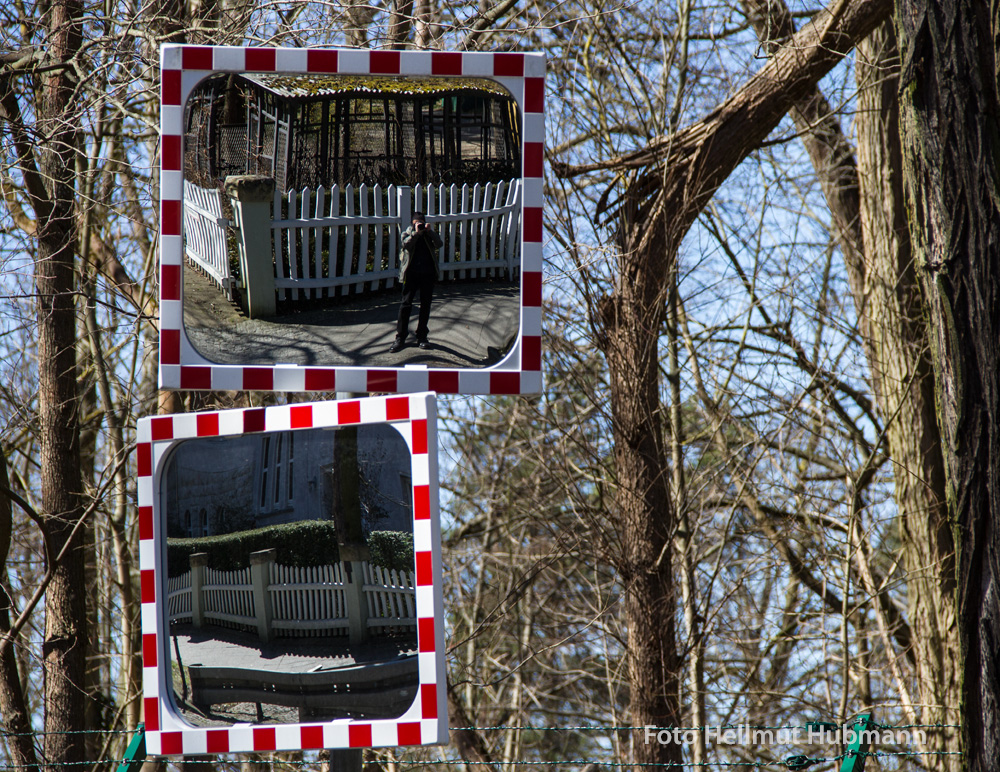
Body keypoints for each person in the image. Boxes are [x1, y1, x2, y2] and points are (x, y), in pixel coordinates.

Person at [391, 212, 443, 352]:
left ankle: (422, 336)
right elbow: (406, 245)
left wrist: (430, 232)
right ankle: (400, 337)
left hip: (427, 273)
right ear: (412, 223)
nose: (418, 225)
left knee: (425, 305)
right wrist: (415, 233)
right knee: (405, 305)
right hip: (411, 274)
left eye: (420, 222)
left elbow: (439, 244)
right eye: (416, 223)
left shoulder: (428, 234)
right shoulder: (406, 233)